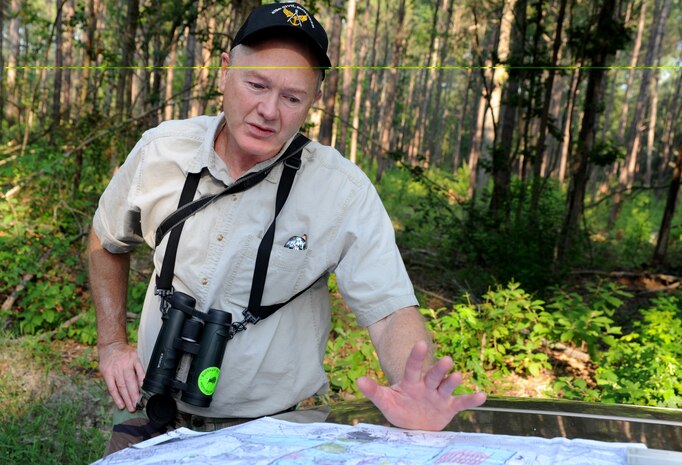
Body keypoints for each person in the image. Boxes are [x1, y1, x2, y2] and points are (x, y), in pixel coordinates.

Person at [88, 2, 486, 455]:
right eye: (255, 84)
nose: (268, 111)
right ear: (224, 71)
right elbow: (106, 239)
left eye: (292, 97)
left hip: (277, 433)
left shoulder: (341, 191)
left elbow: (389, 310)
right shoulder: (161, 152)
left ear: (314, 101)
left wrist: (411, 385)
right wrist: (112, 344)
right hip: (152, 413)